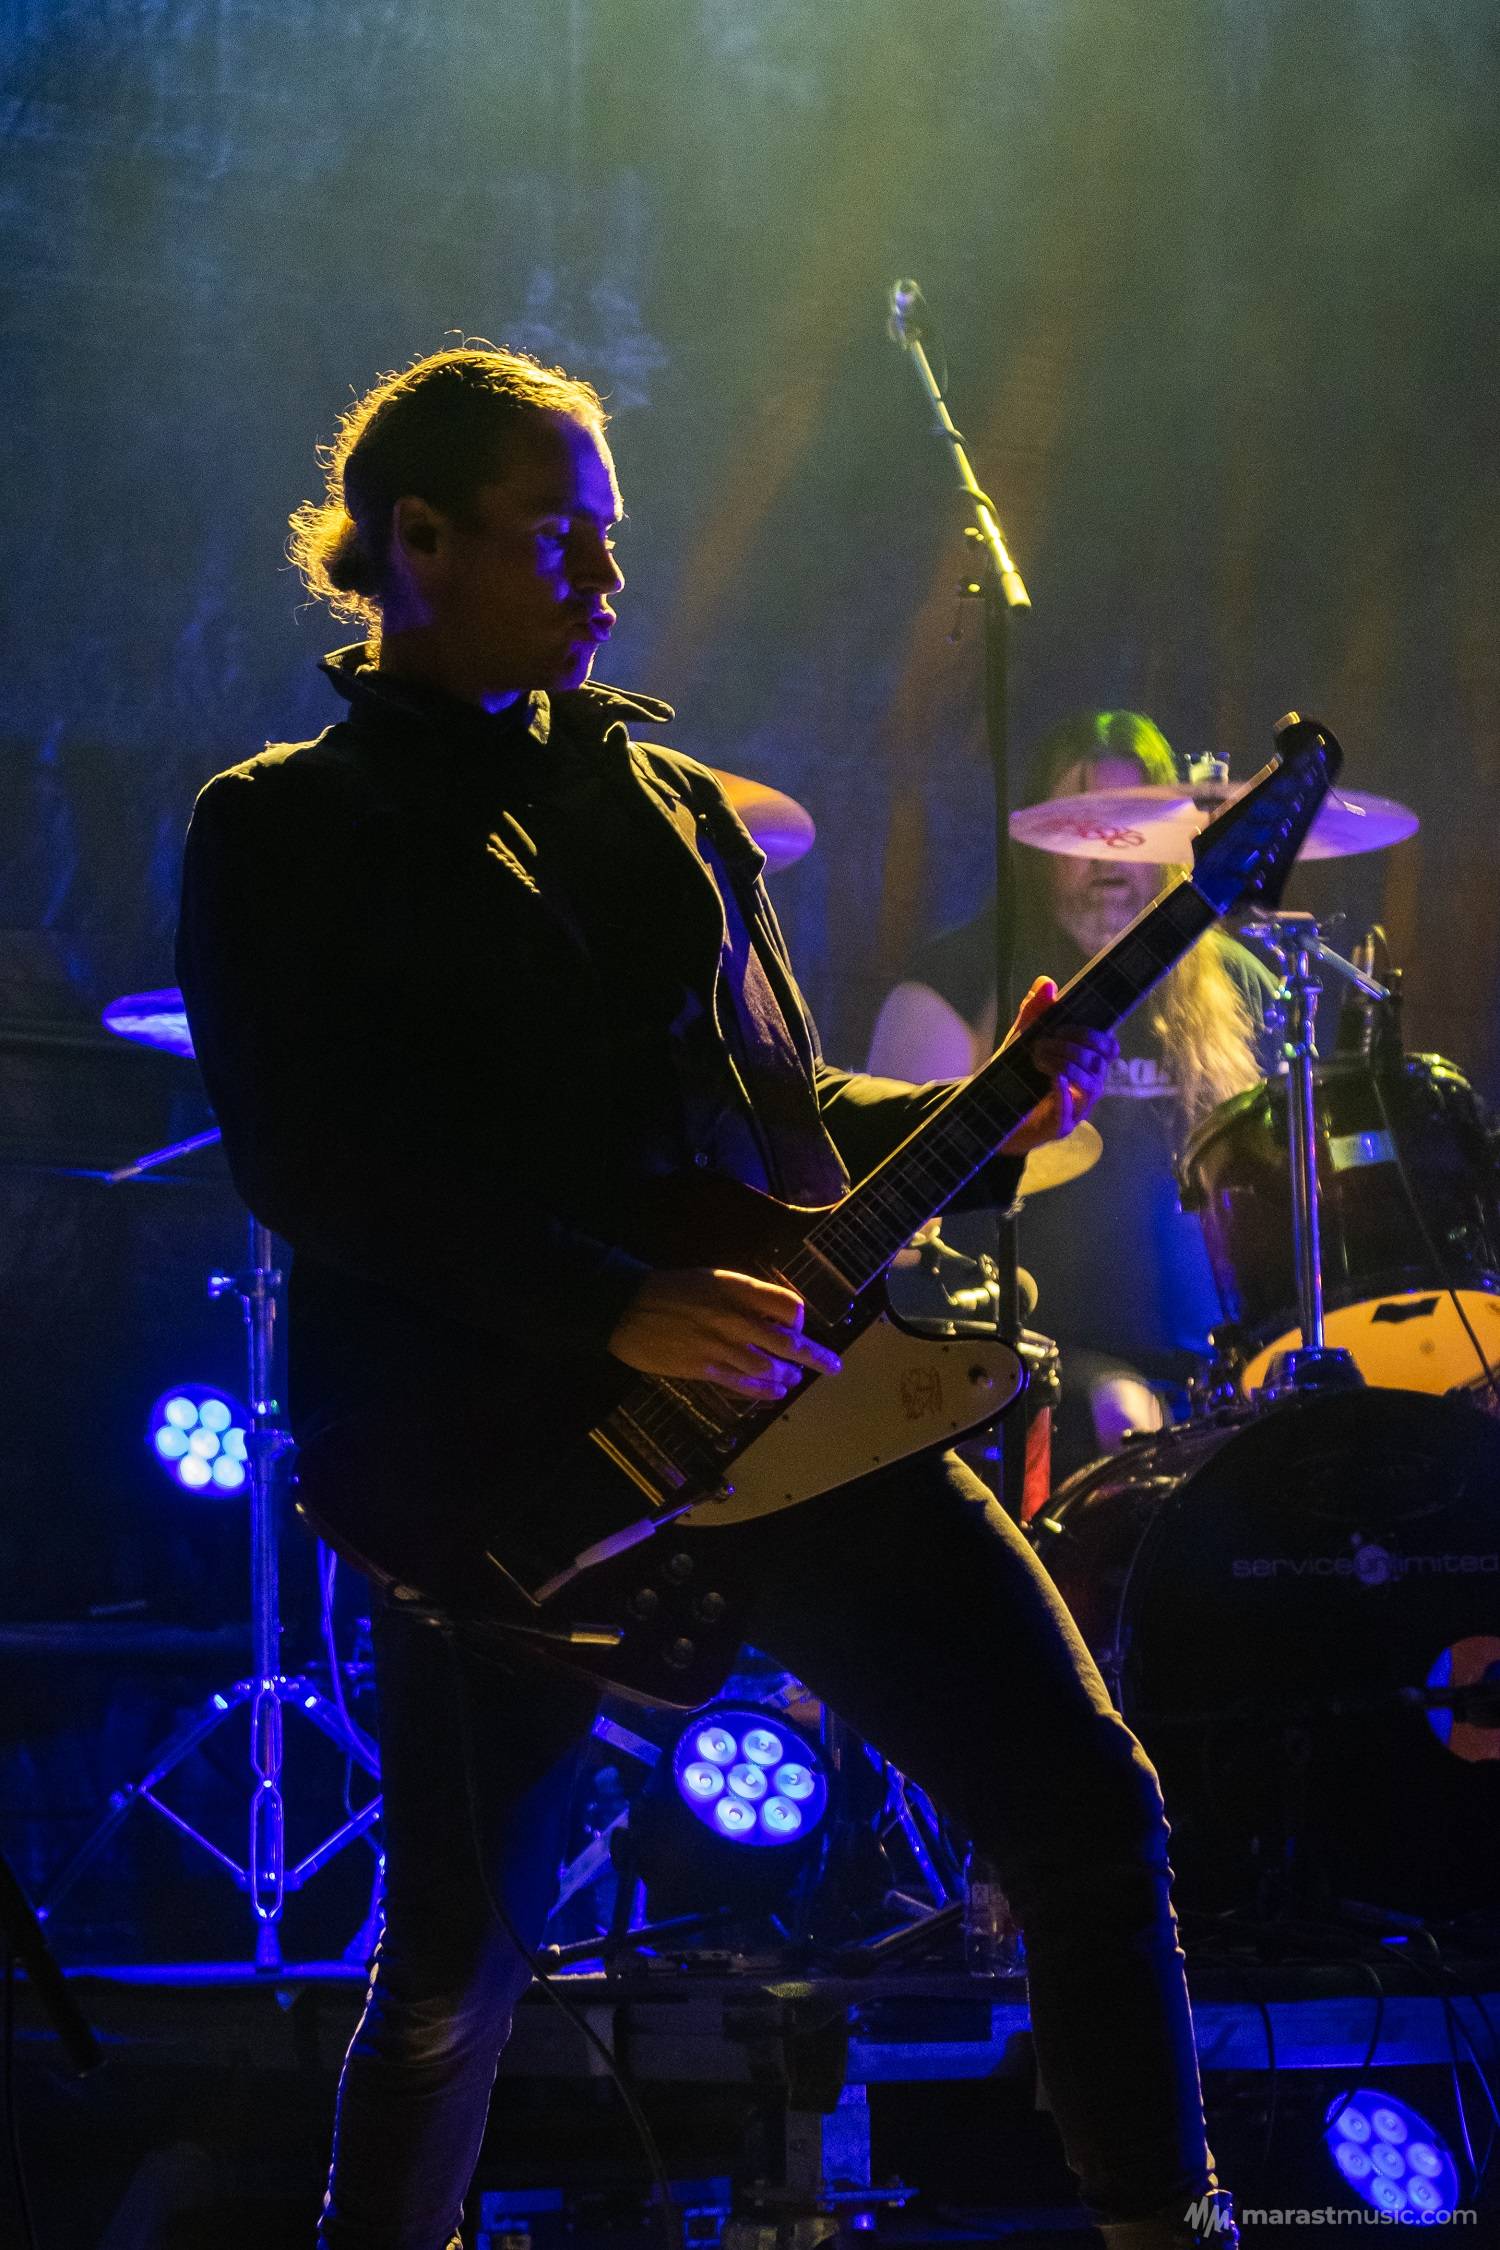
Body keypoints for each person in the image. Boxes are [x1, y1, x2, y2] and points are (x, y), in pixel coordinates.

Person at [175, 348, 1238, 2249]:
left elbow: (782, 1115)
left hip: (789, 1415)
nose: (606, 573)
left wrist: (984, 1113)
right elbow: (316, 1163)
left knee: (1088, 1812)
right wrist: (606, 1304)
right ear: (416, 539)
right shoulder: (283, 825)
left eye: (613, 533)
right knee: (450, 1980)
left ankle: (1175, 2221)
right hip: (506, 1466)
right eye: (557, 534)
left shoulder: (671, 806)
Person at [868, 711, 1276, 1474]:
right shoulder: (955, 982)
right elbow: (899, 1241)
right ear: (1038, 842)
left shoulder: (1242, 984)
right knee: (1123, 1418)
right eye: (1083, 826)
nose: (1107, 854)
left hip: (1218, 1368)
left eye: (1134, 823)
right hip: (1028, 1364)